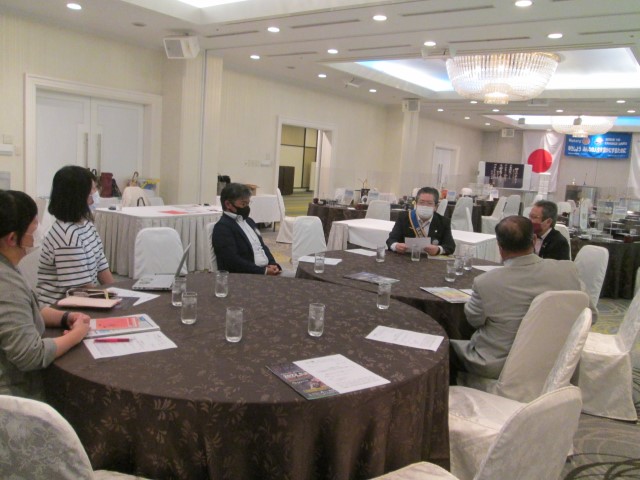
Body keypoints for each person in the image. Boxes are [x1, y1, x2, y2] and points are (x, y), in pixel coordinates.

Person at [450, 215, 584, 382]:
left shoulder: (486, 283)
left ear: (499, 246)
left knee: (443, 349)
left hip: (499, 366)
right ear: (534, 239)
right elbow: (589, 316)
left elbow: (473, 320)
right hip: (556, 363)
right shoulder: (568, 271)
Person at [0, 190, 90, 399]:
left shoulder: (8, 267)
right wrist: (77, 334)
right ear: (12, 238)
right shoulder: (6, 284)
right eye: (34, 225)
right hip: (15, 397)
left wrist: (66, 317)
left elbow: (28, 308)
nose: (39, 231)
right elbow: (31, 355)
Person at [37, 166, 114, 306]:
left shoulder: (86, 224)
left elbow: (102, 266)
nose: (96, 193)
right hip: (60, 307)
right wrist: (112, 300)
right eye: (92, 190)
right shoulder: (66, 236)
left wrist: (116, 293)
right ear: (78, 196)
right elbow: (82, 288)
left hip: (83, 299)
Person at [212, 183, 282, 275]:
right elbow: (232, 261)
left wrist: (272, 263)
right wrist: (263, 271)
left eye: (248, 203)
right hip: (246, 276)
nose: (247, 207)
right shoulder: (222, 228)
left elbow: (262, 246)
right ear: (228, 204)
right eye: (243, 204)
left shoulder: (249, 221)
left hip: (265, 270)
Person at [386, 186, 456, 256]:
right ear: (416, 204)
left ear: (435, 206)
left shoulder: (443, 222)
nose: (425, 206)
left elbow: (450, 246)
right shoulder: (404, 217)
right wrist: (396, 246)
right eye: (421, 202)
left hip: (430, 261)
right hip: (405, 259)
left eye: (429, 203)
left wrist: (438, 250)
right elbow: (391, 240)